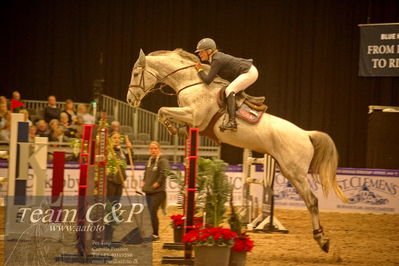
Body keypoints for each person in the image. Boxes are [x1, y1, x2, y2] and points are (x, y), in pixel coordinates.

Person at [194, 38, 259, 131]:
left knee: (230, 90)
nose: (199, 54)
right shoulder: (215, 58)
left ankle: (232, 122)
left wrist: (199, 70)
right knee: (230, 90)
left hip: (249, 72)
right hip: (248, 71)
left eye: (201, 52)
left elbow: (208, 80)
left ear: (209, 51)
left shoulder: (217, 60)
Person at [105, 131, 133, 241]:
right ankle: (106, 234)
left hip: (119, 183)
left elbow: (129, 161)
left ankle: (110, 233)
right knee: (109, 208)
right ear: (111, 139)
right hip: (110, 182)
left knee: (115, 208)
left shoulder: (121, 151)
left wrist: (130, 149)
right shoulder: (108, 151)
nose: (117, 139)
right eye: (114, 137)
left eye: (118, 137)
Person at [142, 141, 169, 241]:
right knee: (150, 212)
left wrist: (158, 183)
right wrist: (144, 182)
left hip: (158, 192)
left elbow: (164, 173)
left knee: (153, 211)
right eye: (151, 148)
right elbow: (146, 173)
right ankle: (152, 232)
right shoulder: (149, 161)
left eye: (155, 148)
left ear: (159, 149)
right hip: (148, 191)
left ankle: (156, 234)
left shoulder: (163, 160)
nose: (153, 150)